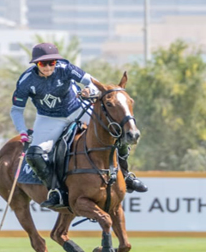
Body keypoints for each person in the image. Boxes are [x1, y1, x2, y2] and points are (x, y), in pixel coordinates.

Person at [10, 42, 147, 209]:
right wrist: (22, 131)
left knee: (118, 134)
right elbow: (16, 110)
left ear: (56, 62)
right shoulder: (26, 80)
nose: (47, 67)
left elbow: (90, 81)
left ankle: (126, 176)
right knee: (34, 155)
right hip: (49, 118)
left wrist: (90, 91)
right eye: (42, 63)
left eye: (51, 62)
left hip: (77, 109)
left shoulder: (66, 67)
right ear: (35, 64)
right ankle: (56, 190)